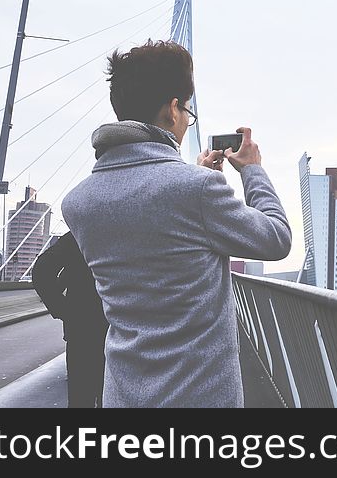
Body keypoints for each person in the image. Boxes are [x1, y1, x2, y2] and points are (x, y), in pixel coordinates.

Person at [61, 39, 291, 408]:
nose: (186, 121)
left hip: (123, 397)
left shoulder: (79, 202)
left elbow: (150, 222)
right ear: (172, 110)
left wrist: (194, 181)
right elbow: (276, 239)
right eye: (187, 111)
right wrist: (253, 172)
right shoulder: (196, 191)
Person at [31, 231, 108, 408]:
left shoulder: (82, 231)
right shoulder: (137, 227)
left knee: (81, 399)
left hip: (81, 333)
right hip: (120, 332)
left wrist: (65, 311)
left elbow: (42, 270)